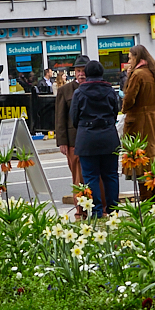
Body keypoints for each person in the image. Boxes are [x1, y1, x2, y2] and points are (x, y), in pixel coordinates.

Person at [121, 45, 155, 201]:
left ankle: (146, 203)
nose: (128, 61)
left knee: (142, 163)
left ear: (137, 57)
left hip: (139, 122)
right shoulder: (153, 72)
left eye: (130, 58)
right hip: (154, 120)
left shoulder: (137, 74)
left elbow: (129, 98)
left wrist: (124, 108)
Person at [70, 61, 120, 218]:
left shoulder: (79, 92)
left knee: (90, 176)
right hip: (109, 137)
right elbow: (115, 111)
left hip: (87, 138)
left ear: (87, 73)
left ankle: (97, 210)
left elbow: (74, 117)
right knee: (111, 175)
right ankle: (113, 210)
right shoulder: (111, 91)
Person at [55, 55, 89, 218]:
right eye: (78, 71)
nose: (81, 74)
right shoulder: (65, 91)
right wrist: (62, 142)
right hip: (73, 141)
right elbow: (60, 118)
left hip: (91, 140)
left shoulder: (93, 87)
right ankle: (80, 210)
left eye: (83, 71)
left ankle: (95, 207)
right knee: (77, 177)